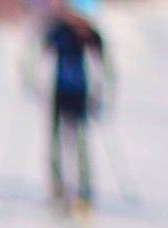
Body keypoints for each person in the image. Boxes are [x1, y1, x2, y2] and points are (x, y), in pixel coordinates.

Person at [42, 0, 113, 211]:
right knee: (55, 143)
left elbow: (103, 67)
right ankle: (57, 187)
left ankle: (84, 190)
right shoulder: (59, 32)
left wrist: (100, 94)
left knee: (80, 143)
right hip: (59, 93)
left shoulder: (91, 35)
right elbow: (40, 53)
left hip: (80, 95)